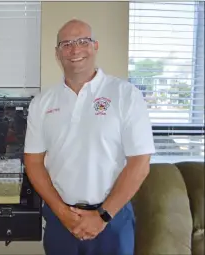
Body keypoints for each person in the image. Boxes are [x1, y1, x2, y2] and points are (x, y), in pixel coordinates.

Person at [23, 19, 155, 255]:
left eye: (82, 41)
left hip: (113, 220)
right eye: (66, 44)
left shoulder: (126, 95)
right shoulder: (42, 103)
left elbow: (140, 163)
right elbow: (33, 162)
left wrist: (102, 216)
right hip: (60, 220)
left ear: (95, 46)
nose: (75, 50)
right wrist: (63, 213)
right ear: (57, 53)